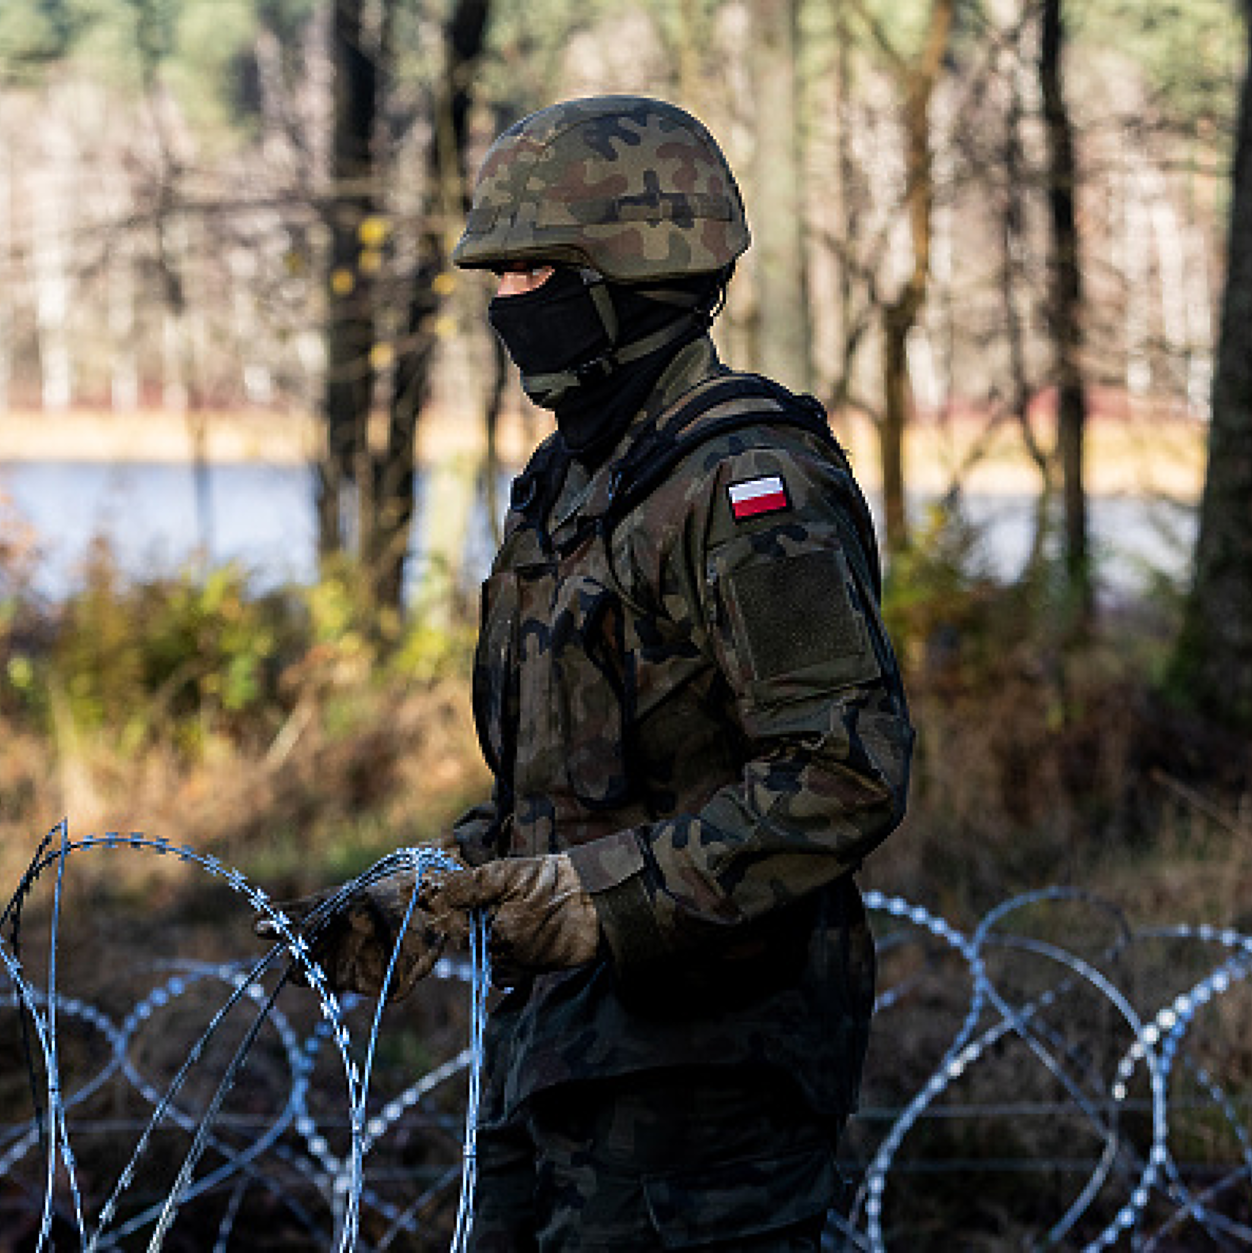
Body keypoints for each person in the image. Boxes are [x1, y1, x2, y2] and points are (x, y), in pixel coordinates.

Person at [277, 95, 914, 1251]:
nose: (503, 300)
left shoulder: (746, 485)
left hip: (708, 1081)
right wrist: (443, 886)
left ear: (632, 274)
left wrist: (598, 900)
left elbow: (843, 770)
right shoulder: (565, 482)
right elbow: (570, 788)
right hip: (559, 1057)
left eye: (532, 268)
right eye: (499, 272)